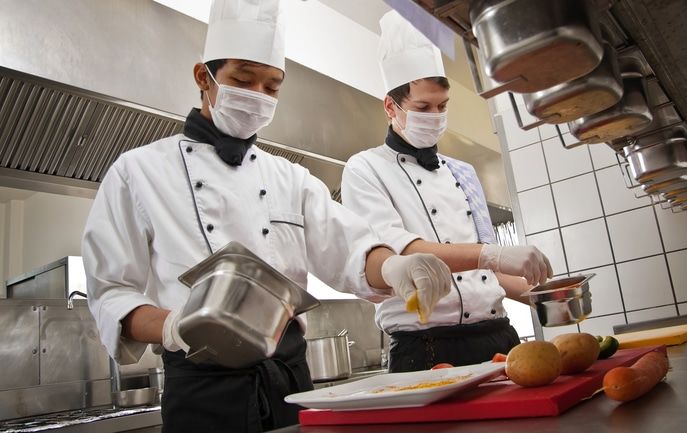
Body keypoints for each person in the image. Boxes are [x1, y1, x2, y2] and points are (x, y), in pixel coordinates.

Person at [81, 1, 452, 432]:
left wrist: (394, 264)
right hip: (201, 392)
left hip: (291, 383)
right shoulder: (138, 171)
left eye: (272, 86)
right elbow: (111, 292)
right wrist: (171, 327)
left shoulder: (289, 178)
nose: (258, 95)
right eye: (242, 80)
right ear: (204, 77)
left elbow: (349, 246)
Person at [340, 11, 553, 373]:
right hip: (426, 349)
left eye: (442, 106)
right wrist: (494, 254)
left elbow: (490, 273)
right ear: (391, 107)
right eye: (423, 108)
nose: (435, 116)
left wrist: (548, 298)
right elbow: (405, 252)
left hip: (499, 337)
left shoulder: (463, 172)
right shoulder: (364, 168)